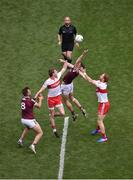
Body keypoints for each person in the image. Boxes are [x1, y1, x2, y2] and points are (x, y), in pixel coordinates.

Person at [34, 61, 68, 138]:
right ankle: (54, 130)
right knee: (52, 116)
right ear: (52, 74)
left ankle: (52, 115)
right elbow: (41, 90)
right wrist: (36, 96)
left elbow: (64, 68)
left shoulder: (58, 76)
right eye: (55, 72)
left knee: (62, 113)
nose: (57, 72)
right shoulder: (48, 82)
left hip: (58, 98)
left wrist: (66, 61)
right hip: (51, 100)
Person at [59, 49, 88, 121]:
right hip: (70, 85)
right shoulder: (75, 68)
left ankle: (73, 113)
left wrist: (84, 73)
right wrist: (63, 61)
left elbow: (78, 60)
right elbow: (71, 64)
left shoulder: (77, 71)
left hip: (65, 86)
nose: (78, 63)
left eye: (79, 64)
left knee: (66, 101)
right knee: (72, 98)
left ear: (80, 67)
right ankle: (82, 109)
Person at [82, 70, 110, 143]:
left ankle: (104, 137)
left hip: (104, 104)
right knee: (99, 119)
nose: (100, 75)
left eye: (102, 75)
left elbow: (90, 80)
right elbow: (89, 80)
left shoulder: (102, 85)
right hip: (103, 104)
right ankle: (98, 129)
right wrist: (81, 72)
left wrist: (84, 73)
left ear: (103, 79)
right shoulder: (99, 82)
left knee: (100, 120)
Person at [18, 87, 44, 154]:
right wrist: (40, 99)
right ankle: (33, 145)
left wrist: (35, 97)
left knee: (28, 128)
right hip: (30, 120)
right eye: (29, 91)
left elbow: (31, 101)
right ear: (27, 93)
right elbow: (39, 106)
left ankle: (20, 140)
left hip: (23, 119)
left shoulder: (22, 99)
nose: (30, 91)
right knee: (40, 133)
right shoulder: (31, 101)